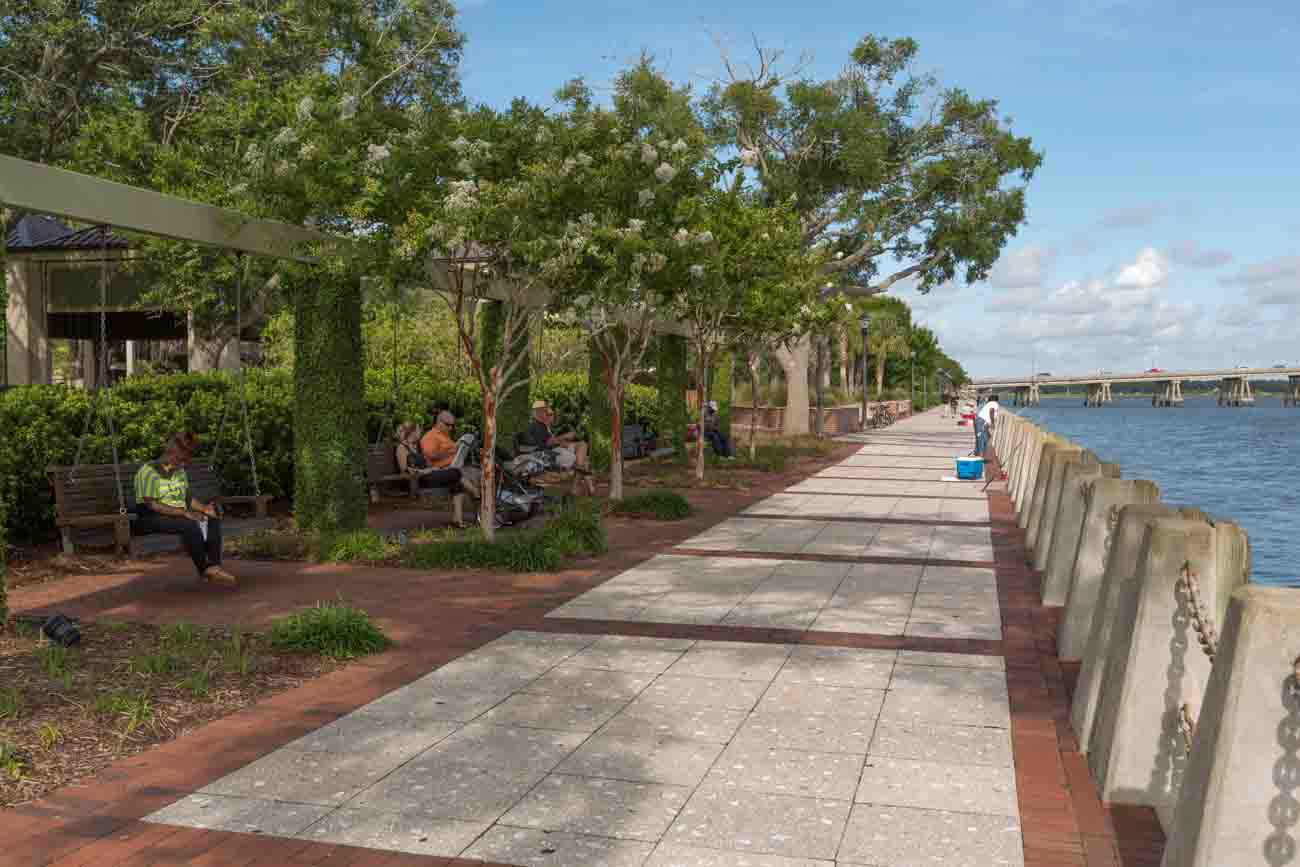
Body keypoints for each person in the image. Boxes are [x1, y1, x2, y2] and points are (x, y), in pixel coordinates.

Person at [133, 432, 236, 587]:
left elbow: (187, 499)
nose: (181, 465)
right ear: (169, 452)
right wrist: (184, 512)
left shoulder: (178, 472)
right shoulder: (148, 471)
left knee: (211, 516)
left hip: (174, 515)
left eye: (185, 460)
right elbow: (153, 505)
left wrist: (204, 509)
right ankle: (205, 568)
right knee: (188, 523)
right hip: (149, 517)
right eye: (179, 459)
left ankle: (214, 568)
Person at [419, 411, 497, 528]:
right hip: (441, 470)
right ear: (439, 422)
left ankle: (459, 519)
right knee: (473, 477)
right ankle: (481, 501)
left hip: (456, 467)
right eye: (448, 425)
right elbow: (432, 456)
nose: (450, 428)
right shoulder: (430, 436)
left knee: (479, 475)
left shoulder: (445, 436)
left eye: (452, 425)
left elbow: (454, 452)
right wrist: (454, 448)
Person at [523, 400, 596, 495]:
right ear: (538, 413)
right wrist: (565, 436)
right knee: (583, 461)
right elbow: (548, 443)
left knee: (582, 446)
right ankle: (581, 486)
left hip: (556, 451)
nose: (548, 414)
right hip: (551, 455)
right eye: (546, 412)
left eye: (548, 412)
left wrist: (565, 442)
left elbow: (552, 442)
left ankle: (580, 484)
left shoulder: (543, 427)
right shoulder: (536, 426)